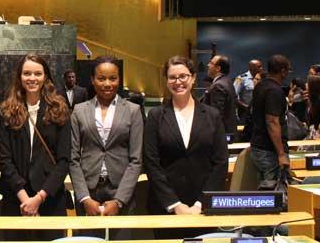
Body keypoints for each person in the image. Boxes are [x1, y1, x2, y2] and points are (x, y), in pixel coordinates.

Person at [144, 56, 227, 239]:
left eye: (183, 76)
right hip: (165, 208)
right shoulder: (156, 116)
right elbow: (151, 163)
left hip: (203, 208)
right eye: (172, 77)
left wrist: (200, 203)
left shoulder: (212, 115)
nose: (178, 82)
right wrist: (174, 204)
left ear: (193, 77)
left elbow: (220, 163)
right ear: (166, 81)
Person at [0, 54, 70, 241]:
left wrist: (38, 198)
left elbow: (64, 160)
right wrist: (25, 200)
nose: (32, 78)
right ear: (19, 77)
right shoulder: (7, 110)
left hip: (49, 198)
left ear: (45, 77)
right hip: (16, 198)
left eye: (38, 73)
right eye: (27, 73)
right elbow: (5, 160)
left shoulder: (59, 109)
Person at [70, 56, 143, 239]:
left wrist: (119, 200)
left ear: (119, 79)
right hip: (88, 189)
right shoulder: (79, 110)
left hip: (121, 189)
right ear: (92, 80)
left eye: (113, 78)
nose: (107, 83)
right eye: (101, 78)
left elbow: (136, 160)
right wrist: (84, 198)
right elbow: (73, 159)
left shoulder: (133, 111)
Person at [250, 55, 291, 185]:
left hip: (259, 146)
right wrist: (281, 154)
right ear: (283, 71)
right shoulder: (274, 91)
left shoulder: (260, 86)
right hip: (270, 150)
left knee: (267, 190)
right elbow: (272, 122)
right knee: (273, 194)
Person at [202, 55, 237, 139]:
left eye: (211, 63)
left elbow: (216, 114)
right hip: (228, 130)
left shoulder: (218, 85)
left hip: (220, 134)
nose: (208, 65)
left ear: (218, 68)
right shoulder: (227, 81)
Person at [235, 59, 262, 124]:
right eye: (259, 66)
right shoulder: (240, 78)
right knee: (243, 131)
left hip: (258, 112)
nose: (261, 68)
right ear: (252, 67)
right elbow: (233, 95)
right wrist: (246, 107)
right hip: (244, 111)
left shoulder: (261, 78)